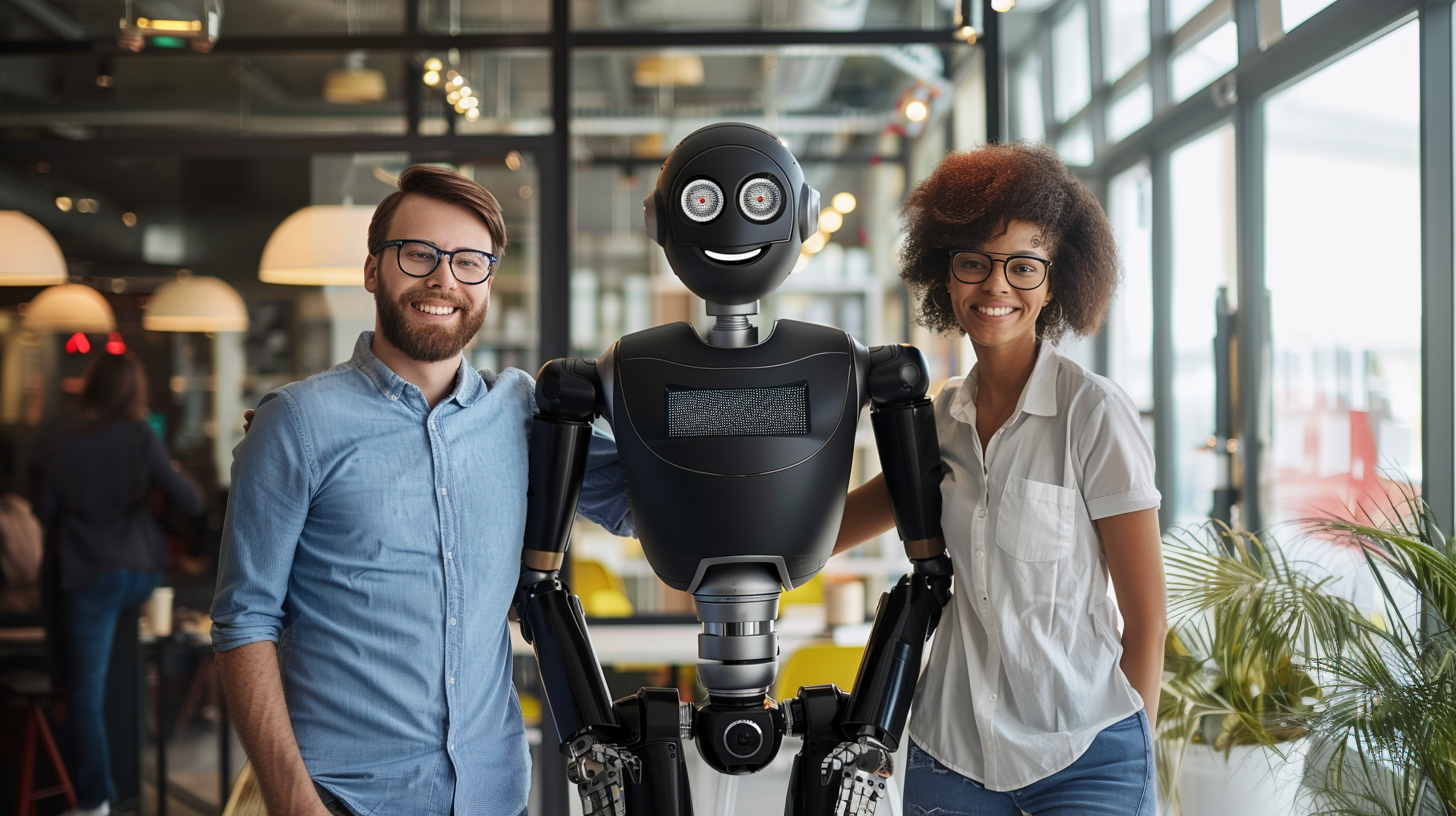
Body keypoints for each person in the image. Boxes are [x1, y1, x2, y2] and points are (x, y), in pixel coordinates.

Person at [211, 165, 633, 816]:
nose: (443, 279)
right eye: (419, 255)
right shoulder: (297, 422)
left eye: (470, 262)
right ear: (373, 270)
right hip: (343, 799)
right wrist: (293, 801)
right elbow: (244, 622)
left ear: (488, 283)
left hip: (495, 798)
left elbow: (660, 510)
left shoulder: (526, 415)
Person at [835, 142, 1167, 815]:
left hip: (1086, 753)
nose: (995, 287)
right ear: (945, 275)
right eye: (973, 264)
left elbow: (1148, 619)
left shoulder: (1091, 412)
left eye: (1023, 266)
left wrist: (1134, 746)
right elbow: (833, 527)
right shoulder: (940, 419)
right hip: (951, 752)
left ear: (1055, 280)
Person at [31, 352, 204, 816]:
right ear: (133, 390)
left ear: (92, 385)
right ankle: (124, 783)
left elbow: (43, 511)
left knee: (84, 695)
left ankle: (96, 800)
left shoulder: (57, 437)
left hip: (87, 572)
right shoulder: (137, 434)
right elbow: (189, 500)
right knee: (118, 673)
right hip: (139, 572)